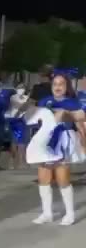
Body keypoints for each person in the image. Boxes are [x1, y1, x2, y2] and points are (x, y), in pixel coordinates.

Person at [27, 72, 85, 226]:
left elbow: (80, 122)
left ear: (67, 87)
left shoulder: (73, 103)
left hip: (63, 141)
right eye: (55, 84)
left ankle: (70, 213)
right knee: (43, 178)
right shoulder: (44, 101)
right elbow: (34, 119)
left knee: (62, 178)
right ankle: (47, 213)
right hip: (45, 141)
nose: (58, 87)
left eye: (61, 84)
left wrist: (83, 143)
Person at [5, 82, 30, 169]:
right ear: (16, 89)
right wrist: (27, 103)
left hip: (23, 121)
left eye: (23, 87)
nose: (21, 89)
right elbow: (19, 106)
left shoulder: (27, 98)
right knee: (14, 142)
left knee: (22, 143)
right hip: (14, 120)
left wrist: (28, 102)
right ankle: (11, 162)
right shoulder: (13, 97)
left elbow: (28, 107)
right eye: (19, 87)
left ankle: (22, 162)